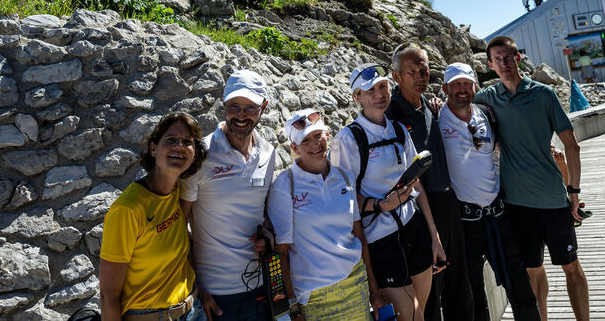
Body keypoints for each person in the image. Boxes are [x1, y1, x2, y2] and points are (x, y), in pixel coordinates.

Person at [477, 36, 589, 321]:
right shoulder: (488, 98)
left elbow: (572, 145)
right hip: (517, 204)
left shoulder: (543, 94)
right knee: (533, 269)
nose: (503, 64)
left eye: (508, 57)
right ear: (490, 65)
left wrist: (573, 192)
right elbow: (459, 100)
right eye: (497, 60)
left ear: (518, 58)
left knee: (570, 267)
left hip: (553, 199)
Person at [332, 64, 447, 321]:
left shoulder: (398, 130)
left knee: (421, 312)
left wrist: (434, 237)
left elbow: (416, 183)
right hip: (381, 238)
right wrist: (380, 205)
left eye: (382, 86)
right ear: (357, 97)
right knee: (410, 313)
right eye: (370, 90)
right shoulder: (348, 139)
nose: (379, 94)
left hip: (413, 226)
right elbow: (343, 200)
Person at [439, 63, 541, 321]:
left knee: (520, 287)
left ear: (474, 86)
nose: (462, 90)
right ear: (444, 89)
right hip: (464, 222)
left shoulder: (485, 114)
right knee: (473, 294)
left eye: (466, 84)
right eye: (455, 85)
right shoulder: (436, 119)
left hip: (498, 215)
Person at [387, 44, 473, 321]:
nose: (419, 76)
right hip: (418, 209)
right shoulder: (391, 116)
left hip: (448, 201)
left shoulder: (429, 105)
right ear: (397, 76)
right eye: (411, 72)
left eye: (423, 70)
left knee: (459, 281)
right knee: (430, 287)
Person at [181, 70, 276, 320]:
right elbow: (179, 226)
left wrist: (267, 235)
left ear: (263, 107)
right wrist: (197, 288)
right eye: (234, 106)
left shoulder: (268, 152)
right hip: (216, 295)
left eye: (250, 108)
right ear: (223, 105)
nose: (241, 116)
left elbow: (262, 212)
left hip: (261, 286)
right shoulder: (201, 154)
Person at [99, 112, 207, 321]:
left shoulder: (176, 191)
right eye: (171, 140)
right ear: (153, 148)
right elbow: (108, 295)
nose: (179, 146)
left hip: (193, 311)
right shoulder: (128, 209)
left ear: (194, 153)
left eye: (187, 141)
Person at [268, 109, 373, 320]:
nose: (315, 144)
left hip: (355, 283)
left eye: (318, 135)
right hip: (313, 296)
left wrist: (375, 291)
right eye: (305, 140)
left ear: (327, 134)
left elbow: (358, 236)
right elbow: (281, 253)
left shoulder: (345, 177)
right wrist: (292, 308)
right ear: (294, 148)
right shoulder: (284, 186)